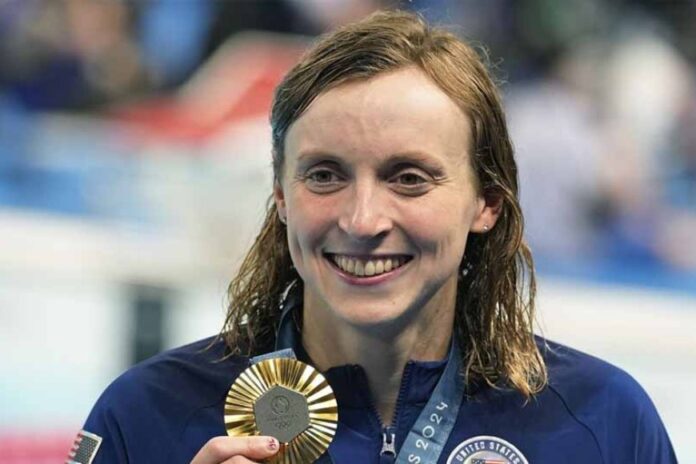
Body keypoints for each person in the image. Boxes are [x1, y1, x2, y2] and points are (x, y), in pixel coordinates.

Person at [73, 10, 677, 464]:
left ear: (486, 203)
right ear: (281, 196)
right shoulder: (147, 415)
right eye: (325, 175)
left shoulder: (602, 422)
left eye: (408, 178)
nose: (362, 220)